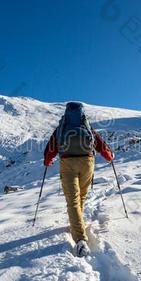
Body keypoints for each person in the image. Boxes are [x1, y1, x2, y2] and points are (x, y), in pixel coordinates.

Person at [43, 102, 114, 257]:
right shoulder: (87, 126)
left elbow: (50, 150)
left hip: (67, 163)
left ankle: (80, 239)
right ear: (81, 112)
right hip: (87, 162)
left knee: (72, 199)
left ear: (66, 113)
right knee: (81, 196)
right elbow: (100, 145)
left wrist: (48, 160)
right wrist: (109, 156)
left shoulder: (61, 128)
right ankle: (78, 226)